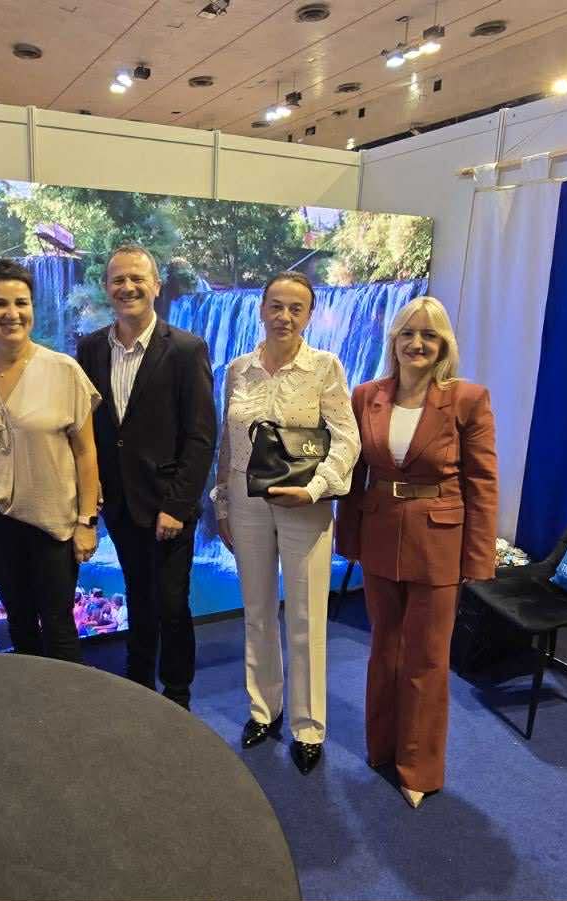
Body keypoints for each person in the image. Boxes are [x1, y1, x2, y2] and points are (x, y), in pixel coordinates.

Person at [335, 296, 498, 808]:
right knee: (384, 649)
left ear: (444, 344)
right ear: (394, 340)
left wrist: (478, 557)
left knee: (426, 659)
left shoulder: (468, 399)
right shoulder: (367, 395)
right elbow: (356, 474)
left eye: (429, 335)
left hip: (439, 543)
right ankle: (382, 748)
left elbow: (482, 484)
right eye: (408, 333)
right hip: (380, 535)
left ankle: (419, 769)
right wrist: (348, 538)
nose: (417, 343)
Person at [212, 272, 360, 775]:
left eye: (296, 308)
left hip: (305, 501)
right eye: (276, 306)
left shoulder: (324, 367)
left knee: (305, 616)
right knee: (257, 611)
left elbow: (347, 438)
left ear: (310, 315)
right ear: (262, 309)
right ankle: (263, 710)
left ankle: (308, 726)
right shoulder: (239, 369)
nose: (285, 316)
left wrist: (316, 489)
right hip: (246, 499)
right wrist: (223, 504)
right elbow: (228, 440)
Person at [75, 245, 216, 708]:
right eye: (118, 279)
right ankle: (138, 690)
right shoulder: (91, 348)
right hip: (120, 502)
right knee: (137, 596)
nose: (128, 287)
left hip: (167, 505)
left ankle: (177, 695)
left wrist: (177, 505)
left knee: (172, 605)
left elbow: (200, 436)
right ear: (106, 287)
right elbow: (90, 428)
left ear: (156, 286)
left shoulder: (186, 349)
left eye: (138, 278)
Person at [0, 258, 102, 661]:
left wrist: (87, 522)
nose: (12, 313)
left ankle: (67, 699)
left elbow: (86, 452)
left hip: (52, 522)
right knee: (18, 620)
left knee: (58, 624)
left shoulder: (64, 371)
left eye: (21, 302)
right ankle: (31, 695)